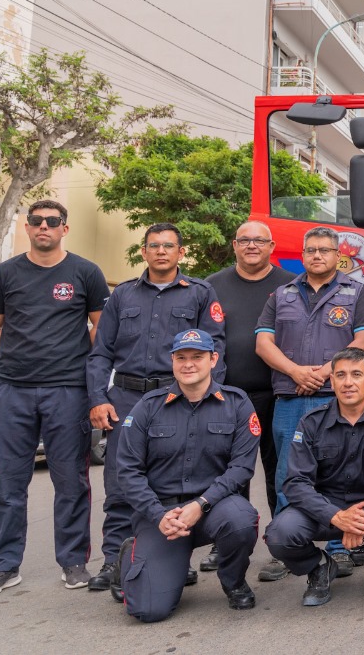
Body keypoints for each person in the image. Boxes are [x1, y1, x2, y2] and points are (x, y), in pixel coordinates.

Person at [86, 222, 227, 592]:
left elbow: (217, 350)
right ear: (144, 251)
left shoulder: (200, 292)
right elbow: (100, 352)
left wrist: (211, 397)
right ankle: (114, 559)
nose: (161, 251)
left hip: (179, 398)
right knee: (120, 483)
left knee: (177, 482)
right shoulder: (122, 296)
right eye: (153, 245)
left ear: (181, 252)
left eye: (168, 246)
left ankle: (176, 557)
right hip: (128, 399)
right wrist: (98, 398)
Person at [0, 200, 108, 595]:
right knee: (8, 483)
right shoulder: (4, 273)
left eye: (53, 221)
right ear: (27, 227)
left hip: (68, 390)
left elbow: (101, 329)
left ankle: (73, 562)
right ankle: (5, 565)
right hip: (11, 388)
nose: (44, 227)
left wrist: (75, 362)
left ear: (65, 228)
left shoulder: (85, 272)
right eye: (37, 221)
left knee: (71, 481)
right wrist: (18, 358)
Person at [254, 225, 364, 581]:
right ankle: (290, 547)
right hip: (291, 397)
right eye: (311, 250)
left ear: (338, 254)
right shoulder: (280, 295)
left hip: (337, 398)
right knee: (287, 475)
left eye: (324, 250)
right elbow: (264, 345)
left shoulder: (356, 292)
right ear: (302, 254)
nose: (317, 256)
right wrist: (296, 372)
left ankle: (341, 546)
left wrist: (325, 373)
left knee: (338, 473)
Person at [111, 329, 260, 621]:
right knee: (147, 611)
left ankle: (234, 581)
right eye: (181, 357)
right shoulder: (148, 406)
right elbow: (128, 470)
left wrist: (201, 503)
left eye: (197, 357)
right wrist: (157, 515)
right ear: (172, 361)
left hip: (213, 508)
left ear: (213, 359)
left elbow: (241, 467)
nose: (188, 364)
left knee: (242, 519)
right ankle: (133, 553)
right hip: (162, 514)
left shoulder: (237, 403)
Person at [264, 348, 364, 607]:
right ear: (331, 381)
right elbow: (295, 483)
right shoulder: (311, 422)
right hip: (327, 510)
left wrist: (363, 515)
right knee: (279, 534)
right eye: (340, 375)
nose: (348, 382)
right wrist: (337, 517)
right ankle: (318, 568)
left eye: (356, 374)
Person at [203, 220, 295, 573]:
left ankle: (281, 542)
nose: (252, 246)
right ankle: (226, 541)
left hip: (278, 394)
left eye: (260, 240)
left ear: (272, 247)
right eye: (245, 240)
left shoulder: (290, 285)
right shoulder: (212, 286)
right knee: (228, 473)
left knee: (280, 472)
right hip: (227, 397)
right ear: (234, 244)